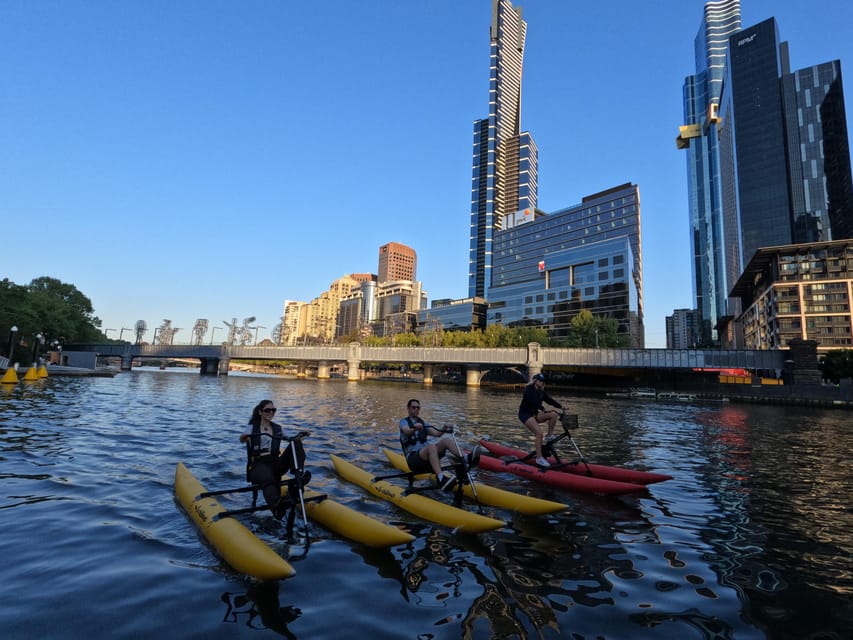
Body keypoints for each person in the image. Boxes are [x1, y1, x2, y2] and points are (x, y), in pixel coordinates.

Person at [239, 400, 310, 518]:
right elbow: (242, 438)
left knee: (296, 443)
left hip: (275, 463)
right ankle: (277, 507)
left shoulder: (277, 428)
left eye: (273, 410)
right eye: (267, 410)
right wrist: (246, 437)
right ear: (260, 412)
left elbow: (291, 438)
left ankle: (298, 475)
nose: (271, 412)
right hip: (258, 465)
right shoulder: (252, 427)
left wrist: (301, 435)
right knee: (267, 476)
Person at [399, 398, 480, 491]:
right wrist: (414, 428)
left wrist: (445, 428)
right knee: (431, 447)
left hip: (427, 456)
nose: (416, 409)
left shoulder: (423, 423)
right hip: (413, 459)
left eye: (418, 408)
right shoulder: (404, 422)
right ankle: (441, 478)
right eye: (414, 407)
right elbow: (406, 431)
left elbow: (437, 434)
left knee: (445, 440)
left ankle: (466, 458)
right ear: (408, 409)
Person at [518, 373, 563, 467]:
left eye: (543, 381)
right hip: (525, 414)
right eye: (540, 381)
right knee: (539, 433)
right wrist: (543, 409)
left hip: (534, 414)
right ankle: (539, 458)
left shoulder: (541, 392)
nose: (542, 383)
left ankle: (550, 435)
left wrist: (561, 406)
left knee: (553, 415)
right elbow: (533, 402)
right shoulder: (529, 390)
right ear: (535, 381)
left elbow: (549, 400)